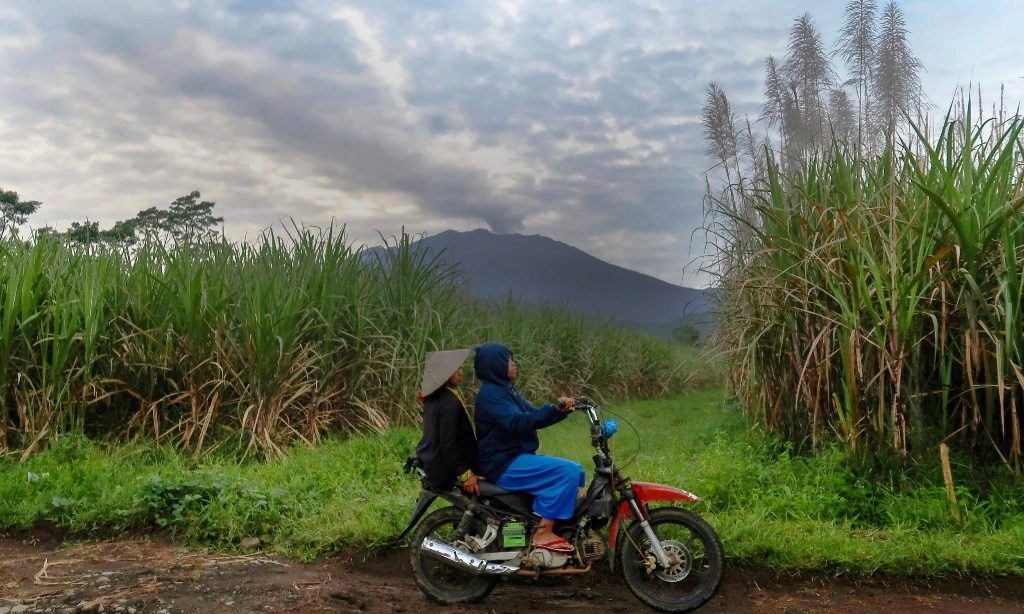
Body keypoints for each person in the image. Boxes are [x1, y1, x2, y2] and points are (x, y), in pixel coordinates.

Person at [473, 342, 585, 553]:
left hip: (513, 456)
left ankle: (557, 523)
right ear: (495, 364)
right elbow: (517, 422)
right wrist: (553, 409)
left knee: (577, 471)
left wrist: (559, 410)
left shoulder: (505, 389)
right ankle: (543, 532)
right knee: (567, 471)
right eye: (509, 359)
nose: (514, 363)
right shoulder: (490, 394)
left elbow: (532, 416)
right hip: (502, 462)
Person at [414, 349, 484, 495]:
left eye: (459, 368)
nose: (460, 372)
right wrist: (466, 474)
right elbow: (447, 443)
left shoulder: (434, 397)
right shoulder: (449, 403)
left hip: (433, 462)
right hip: (446, 468)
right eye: (454, 370)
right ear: (443, 375)